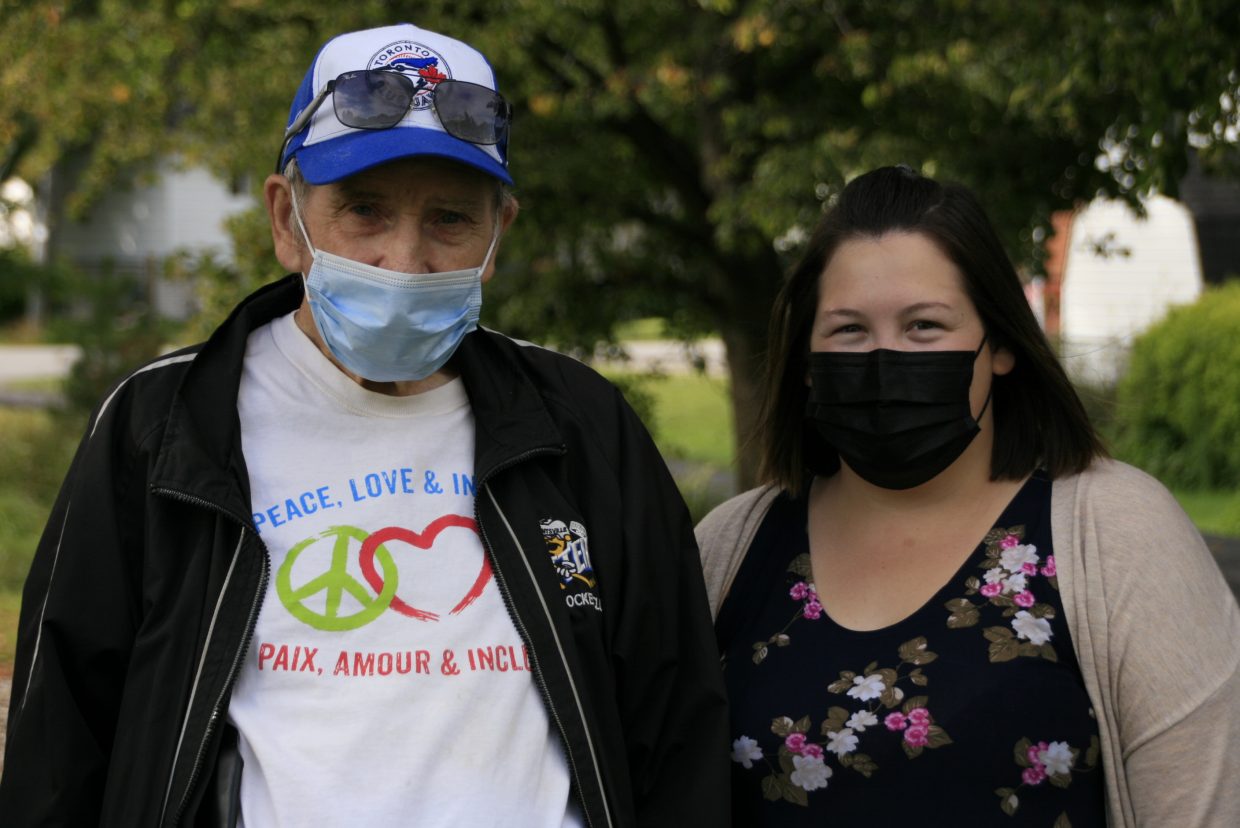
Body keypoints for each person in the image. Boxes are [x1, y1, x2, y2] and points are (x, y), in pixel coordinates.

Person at [0, 23, 729, 826]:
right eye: (364, 210)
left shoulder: (585, 429)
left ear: (498, 237)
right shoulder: (164, 427)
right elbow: (60, 749)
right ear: (287, 220)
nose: (404, 260)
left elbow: (677, 733)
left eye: (450, 219)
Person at [696, 165, 1240, 825]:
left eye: (924, 326)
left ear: (1001, 344)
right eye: (849, 330)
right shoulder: (726, 553)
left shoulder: (1119, 535)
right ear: (807, 362)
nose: (884, 358)